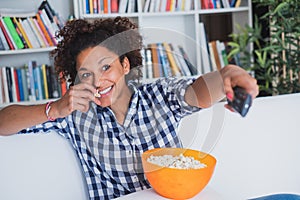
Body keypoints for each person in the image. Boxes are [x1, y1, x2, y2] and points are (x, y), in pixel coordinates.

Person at [0, 16, 259, 199]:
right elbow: (3, 122)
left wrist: (229, 73)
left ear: (124, 65)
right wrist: (54, 109)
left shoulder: (159, 95)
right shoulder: (75, 116)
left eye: (105, 67)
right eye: (86, 74)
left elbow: (200, 92)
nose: (98, 82)